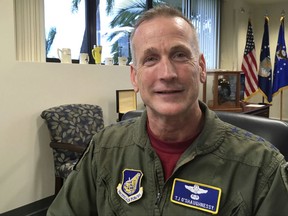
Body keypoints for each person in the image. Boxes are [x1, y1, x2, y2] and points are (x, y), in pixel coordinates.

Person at [47, 5, 288, 216]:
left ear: (201, 68)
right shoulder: (104, 149)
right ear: (134, 77)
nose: (167, 74)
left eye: (180, 55)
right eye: (150, 59)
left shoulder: (262, 168)